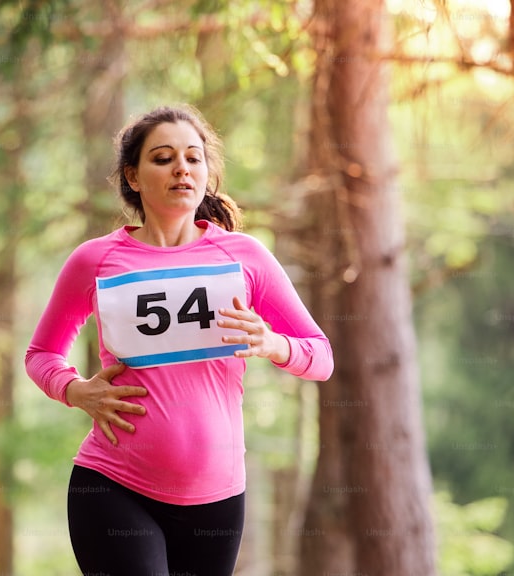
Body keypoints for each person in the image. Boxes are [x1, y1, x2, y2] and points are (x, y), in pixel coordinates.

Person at [25, 105, 334, 575]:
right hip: (114, 485)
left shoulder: (243, 257)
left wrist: (274, 344)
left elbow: (322, 357)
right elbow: (42, 353)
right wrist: (75, 389)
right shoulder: (96, 260)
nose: (181, 169)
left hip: (217, 499)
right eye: (163, 158)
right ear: (133, 175)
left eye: (193, 158)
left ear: (207, 172)